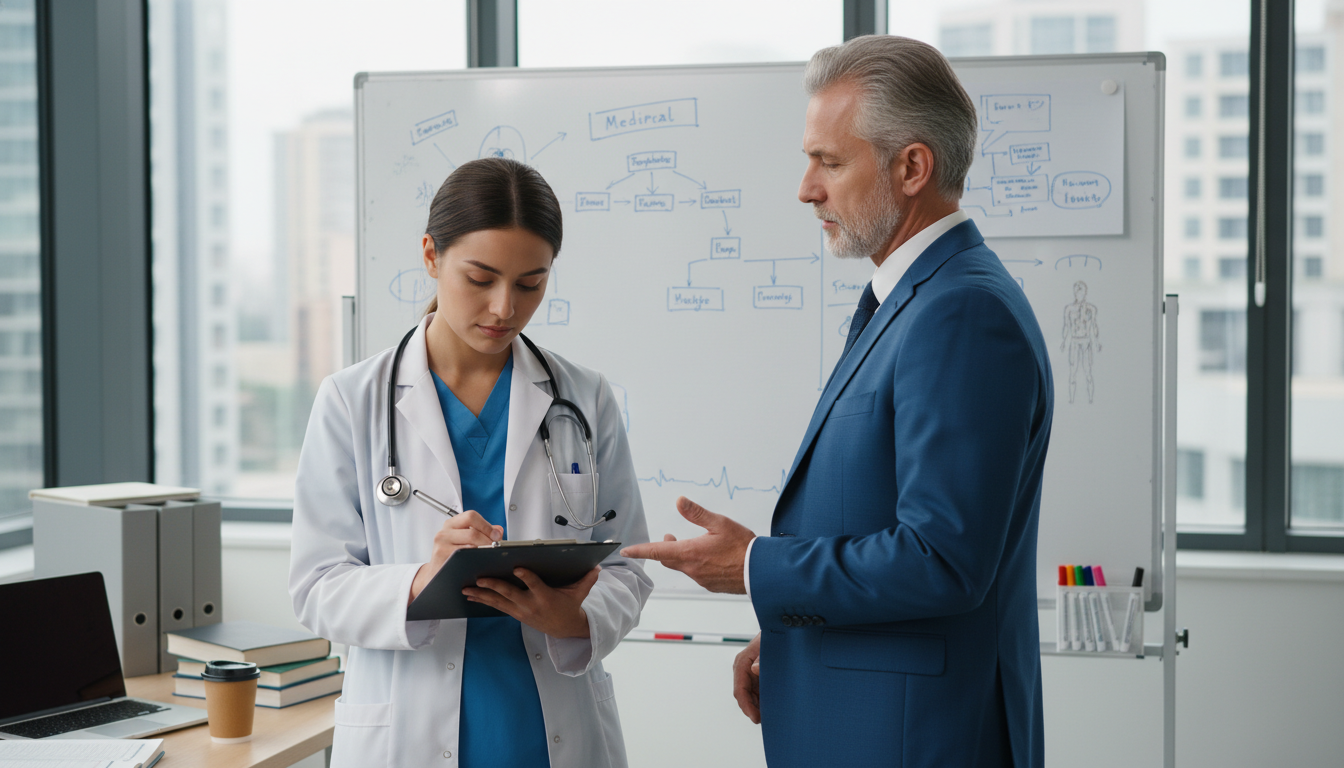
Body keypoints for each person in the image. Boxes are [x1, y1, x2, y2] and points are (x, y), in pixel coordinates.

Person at [623, 35, 1053, 767]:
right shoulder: (909, 300)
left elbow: (942, 559)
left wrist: (756, 567)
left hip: (916, 740)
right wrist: (795, 632)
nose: (806, 188)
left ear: (912, 166)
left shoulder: (960, 315)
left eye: (829, 161)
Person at [290, 157, 652, 768]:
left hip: (548, 732)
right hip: (405, 731)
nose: (504, 308)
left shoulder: (585, 399)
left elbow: (627, 568)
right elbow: (316, 586)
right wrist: (421, 581)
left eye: (531, 283)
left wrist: (575, 616)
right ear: (431, 255)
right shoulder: (352, 401)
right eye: (480, 278)